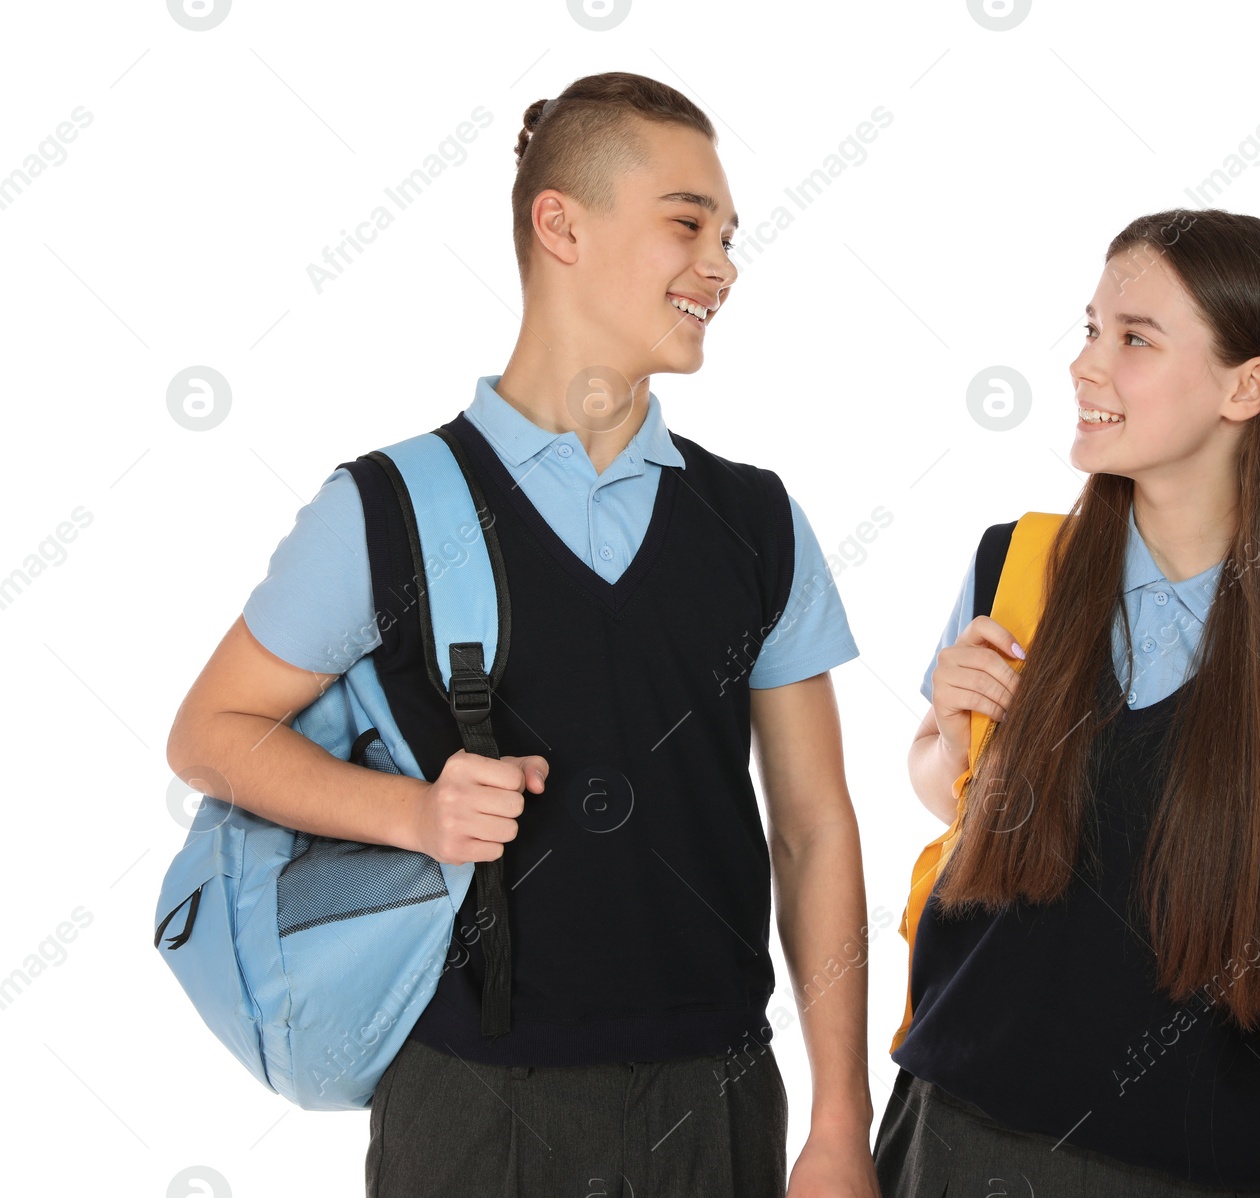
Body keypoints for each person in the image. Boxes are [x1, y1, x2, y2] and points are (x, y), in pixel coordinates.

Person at [165, 71, 882, 1198]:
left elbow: (813, 826)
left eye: (730, 237)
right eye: (687, 224)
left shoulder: (755, 523)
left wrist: (841, 1120)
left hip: (719, 1097)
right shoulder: (384, 508)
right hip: (471, 1098)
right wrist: (412, 812)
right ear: (562, 225)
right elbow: (210, 733)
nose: (722, 266)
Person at [873, 208, 1260, 1197]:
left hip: (1199, 1171)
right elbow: (959, 799)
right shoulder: (1016, 566)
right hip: (956, 1139)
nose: (1085, 367)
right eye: (1090, 330)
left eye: (1132, 338)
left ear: (1246, 385)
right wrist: (947, 740)